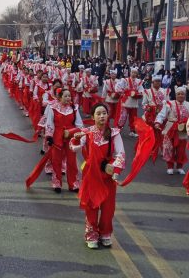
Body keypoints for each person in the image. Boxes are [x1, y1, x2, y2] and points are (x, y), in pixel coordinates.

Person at [70, 103, 125, 249]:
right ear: (93, 116)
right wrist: (75, 138)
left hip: (107, 175)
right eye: (98, 113)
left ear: (108, 116)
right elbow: (74, 148)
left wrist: (115, 170)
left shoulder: (114, 133)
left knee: (108, 208)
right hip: (91, 175)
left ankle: (105, 233)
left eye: (104, 113)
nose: (102, 116)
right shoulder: (87, 132)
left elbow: (120, 154)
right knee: (92, 206)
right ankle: (91, 234)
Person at [44, 88, 83, 193]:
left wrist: (73, 132)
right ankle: (57, 183)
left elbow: (79, 125)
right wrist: (49, 136)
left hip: (71, 138)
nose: (68, 98)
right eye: (65, 96)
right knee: (56, 161)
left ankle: (74, 184)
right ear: (59, 98)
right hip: (57, 137)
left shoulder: (74, 108)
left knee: (71, 161)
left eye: (69, 96)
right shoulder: (53, 108)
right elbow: (49, 123)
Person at [155, 86, 189, 175]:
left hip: (183, 129)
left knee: (181, 149)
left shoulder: (188, 105)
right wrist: (158, 122)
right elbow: (162, 114)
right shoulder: (169, 104)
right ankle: (170, 166)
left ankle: (179, 167)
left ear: (185, 95)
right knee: (169, 148)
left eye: (182, 94)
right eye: (179, 94)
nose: (181, 96)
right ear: (176, 95)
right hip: (170, 128)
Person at [115, 67, 143, 137]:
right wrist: (124, 92)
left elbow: (141, 90)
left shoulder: (138, 81)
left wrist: (139, 93)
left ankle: (132, 131)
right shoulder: (125, 80)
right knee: (123, 116)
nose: (133, 74)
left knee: (133, 117)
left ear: (137, 74)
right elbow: (117, 87)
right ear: (130, 73)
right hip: (125, 102)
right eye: (132, 72)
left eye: (135, 73)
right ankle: (118, 129)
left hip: (133, 102)